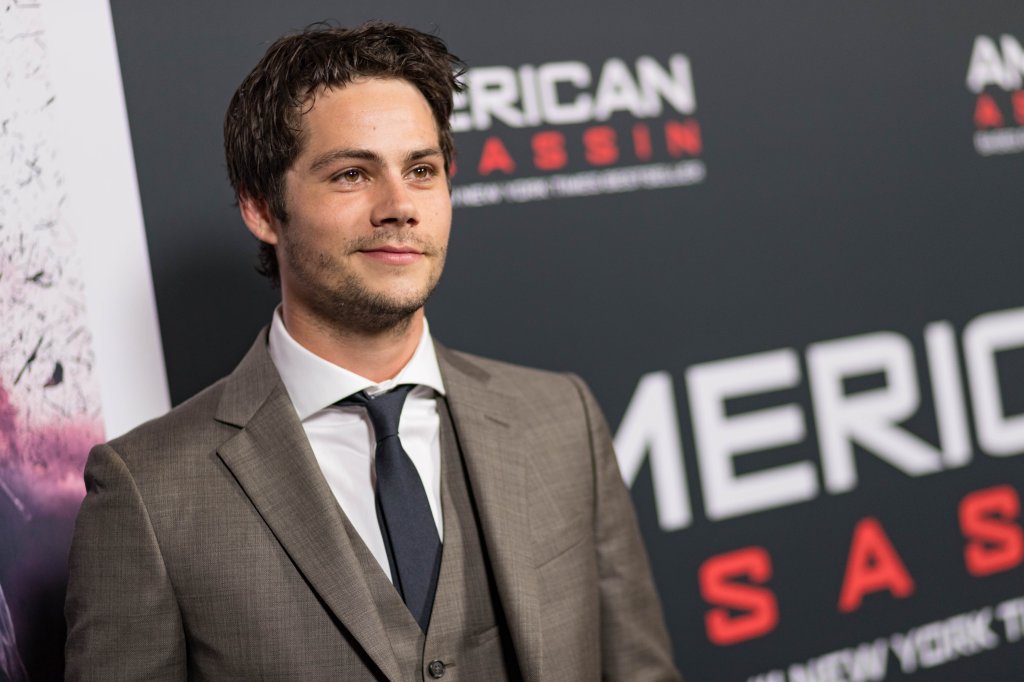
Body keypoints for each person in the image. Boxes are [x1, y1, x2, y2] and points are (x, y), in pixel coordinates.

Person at [64, 22, 680, 681]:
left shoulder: (562, 419)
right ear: (261, 210)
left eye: (421, 171)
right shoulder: (148, 492)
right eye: (353, 174)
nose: (399, 207)